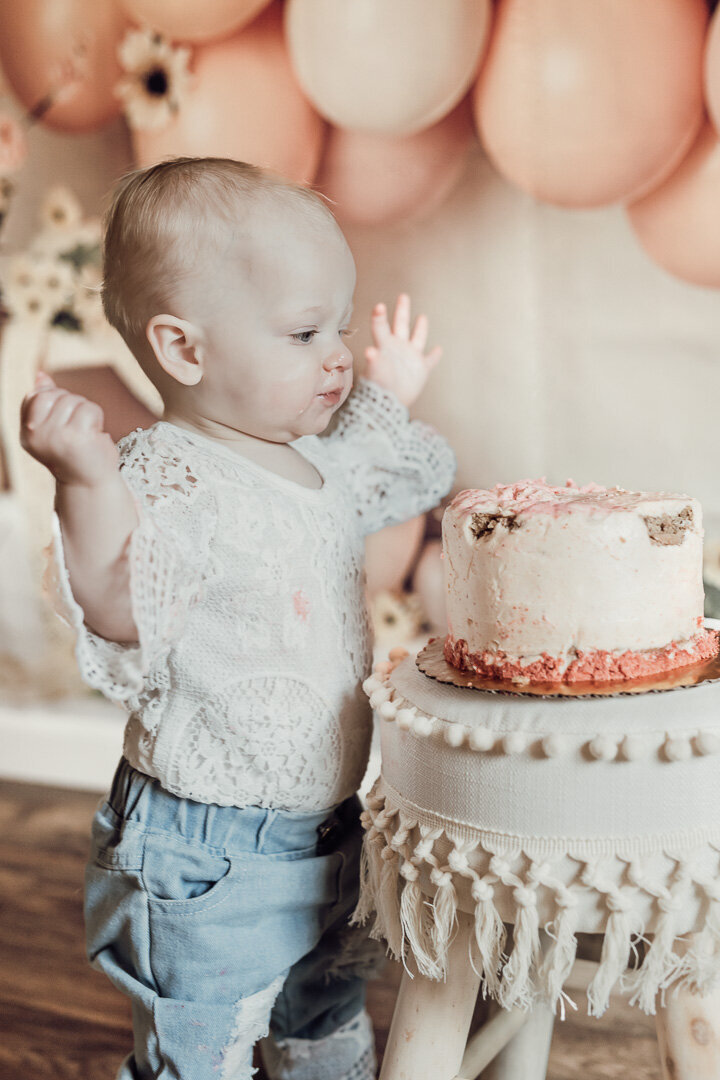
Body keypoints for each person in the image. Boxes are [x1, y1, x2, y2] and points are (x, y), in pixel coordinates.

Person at [20, 157, 456, 1080]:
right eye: (304, 332)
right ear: (186, 351)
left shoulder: (314, 460)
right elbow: (112, 598)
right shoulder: (170, 474)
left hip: (328, 826)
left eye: (337, 325)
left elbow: (367, 463)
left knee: (324, 1009)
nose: (336, 353)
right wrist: (86, 482)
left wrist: (393, 389)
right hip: (209, 855)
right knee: (205, 1047)